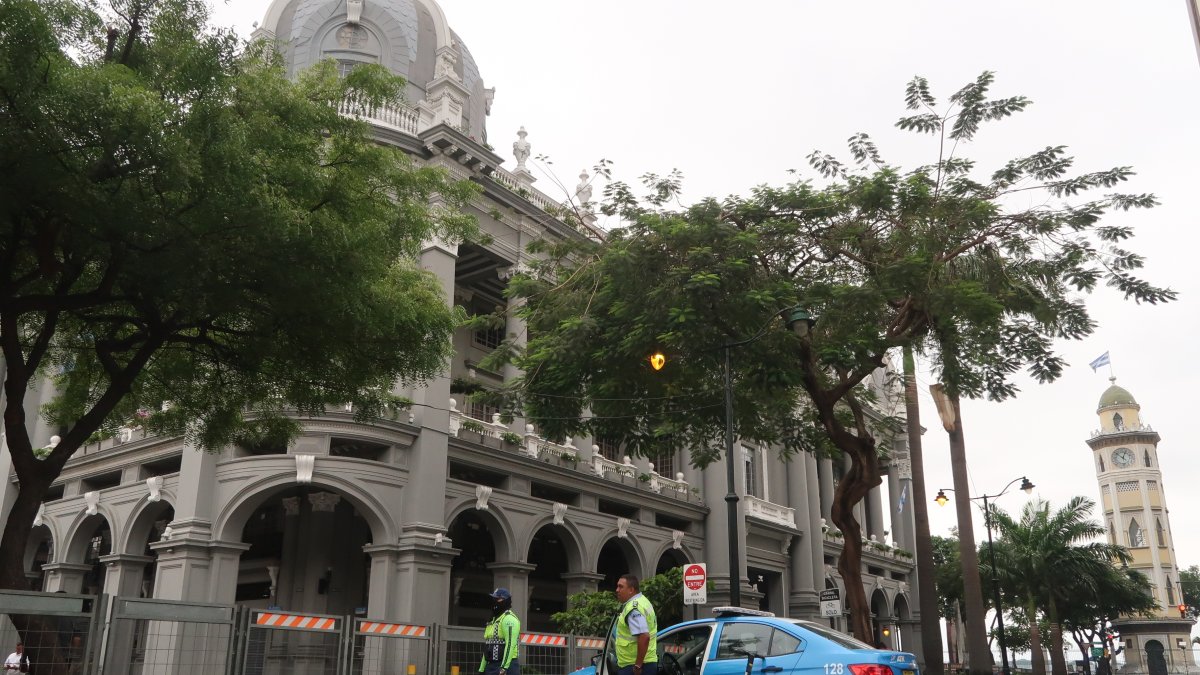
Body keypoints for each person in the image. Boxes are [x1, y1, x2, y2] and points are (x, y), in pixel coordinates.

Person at [614, 574, 658, 675]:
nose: (617, 590)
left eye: (621, 587)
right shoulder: (643, 601)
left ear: (631, 590)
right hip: (646, 662)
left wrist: (638, 666)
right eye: (617, 586)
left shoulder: (633, 608)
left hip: (634, 666)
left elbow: (644, 636)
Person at [479, 588, 520, 675]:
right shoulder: (493, 620)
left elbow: (510, 644)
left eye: (498, 599)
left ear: (506, 601)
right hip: (491, 665)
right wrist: (482, 669)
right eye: (493, 598)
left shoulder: (509, 619)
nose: (494, 601)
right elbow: (488, 645)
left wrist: (504, 668)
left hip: (506, 666)